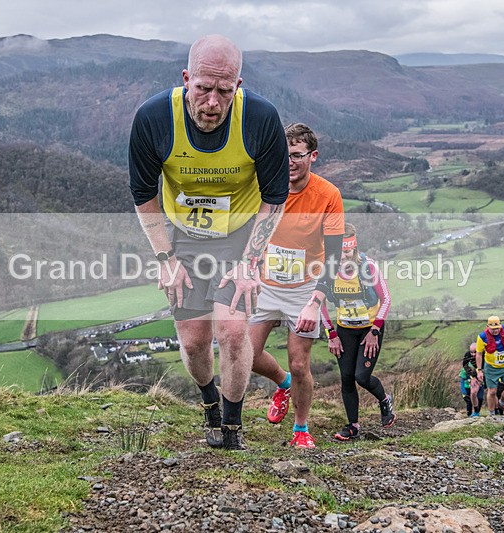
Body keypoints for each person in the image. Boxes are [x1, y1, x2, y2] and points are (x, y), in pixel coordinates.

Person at [128, 35, 289, 450]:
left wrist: (250, 263)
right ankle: (209, 404)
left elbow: (275, 197)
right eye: (203, 88)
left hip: (240, 240)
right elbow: (143, 193)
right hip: (184, 238)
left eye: (224, 90)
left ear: (238, 85)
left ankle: (232, 427)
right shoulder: (153, 118)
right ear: (186, 79)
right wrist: (165, 258)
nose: (213, 103)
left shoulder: (260, 118)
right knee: (193, 340)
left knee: (233, 333)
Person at [248, 123, 344, 449]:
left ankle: (301, 429)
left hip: (304, 288)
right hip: (266, 284)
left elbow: (334, 256)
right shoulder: (265, 186)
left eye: (297, 155)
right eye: (284, 155)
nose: (289, 162)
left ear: (313, 156)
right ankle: (283, 383)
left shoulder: (328, 195)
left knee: (300, 363)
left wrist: (315, 302)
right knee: (246, 355)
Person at [320, 223, 396, 441]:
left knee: (361, 377)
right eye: (340, 251)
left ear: (354, 248)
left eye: (348, 251)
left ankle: (384, 400)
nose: (343, 257)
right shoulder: (328, 270)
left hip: (369, 330)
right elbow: (320, 303)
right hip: (344, 330)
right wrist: (331, 334)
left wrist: (375, 331)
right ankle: (352, 426)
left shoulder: (369, 268)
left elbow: (386, 299)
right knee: (346, 378)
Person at [475, 316, 504, 416]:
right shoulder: (482, 337)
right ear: (487, 326)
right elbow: (479, 354)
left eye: (497, 328)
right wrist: (479, 370)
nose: (495, 331)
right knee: (492, 392)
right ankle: (492, 414)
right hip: (491, 368)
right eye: (493, 329)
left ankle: (501, 403)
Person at [461, 343, 485, 417]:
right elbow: (465, 365)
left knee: (480, 397)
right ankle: (475, 412)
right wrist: (473, 376)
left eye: (475, 352)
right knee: (473, 393)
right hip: (474, 374)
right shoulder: (467, 355)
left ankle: (479, 411)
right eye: (471, 352)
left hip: (484, 373)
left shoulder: (484, 355)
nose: (473, 354)